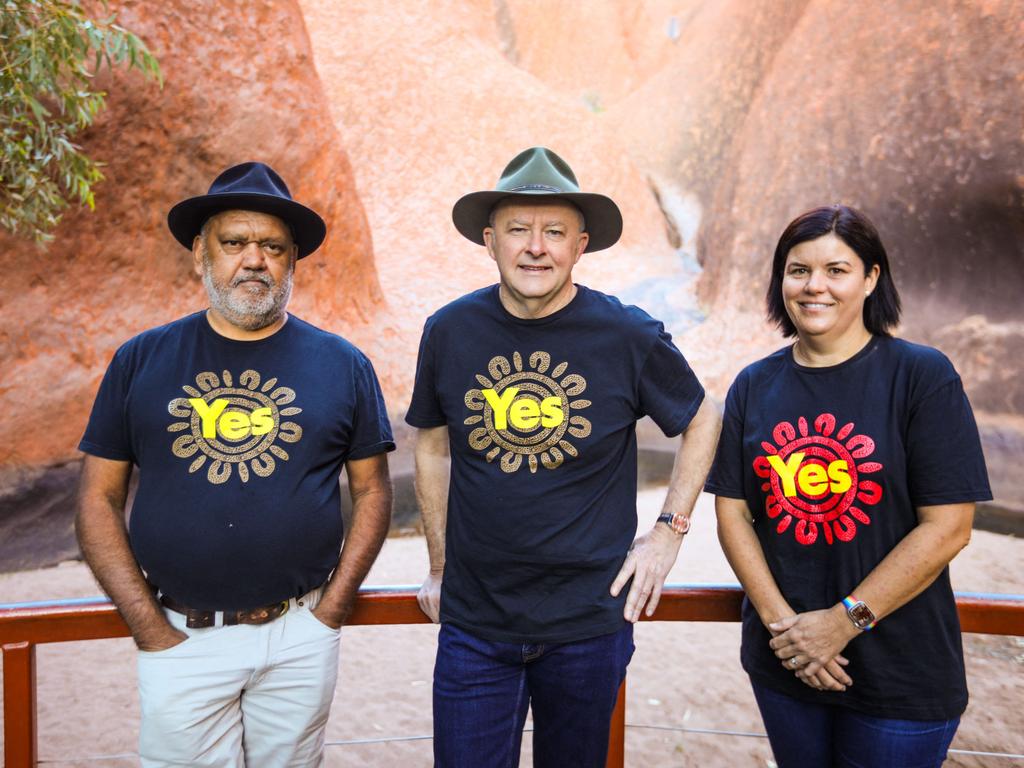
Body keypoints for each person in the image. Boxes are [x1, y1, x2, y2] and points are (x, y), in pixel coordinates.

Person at [406, 146, 720, 767]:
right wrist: (440, 566)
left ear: (581, 246)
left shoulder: (627, 335)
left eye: (554, 232)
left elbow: (703, 417)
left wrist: (668, 533)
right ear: (490, 241)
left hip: (588, 625)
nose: (535, 247)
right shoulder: (448, 331)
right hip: (475, 626)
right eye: (519, 230)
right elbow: (433, 447)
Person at [75, 162, 394, 767]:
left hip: (299, 634)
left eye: (272, 246)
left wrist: (330, 613)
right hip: (180, 638)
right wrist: (150, 627)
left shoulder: (343, 364)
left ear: (292, 259)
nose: (254, 260)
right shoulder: (140, 360)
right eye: (234, 243)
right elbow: (97, 498)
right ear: (200, 253)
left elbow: (373, 492)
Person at [706, 204, 992, 768]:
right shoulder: (753, 385)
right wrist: (787, 632)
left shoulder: (921, 376)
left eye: (836, 270)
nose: (815, 286)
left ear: (871, 279)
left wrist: (841, 624)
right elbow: (733, 513)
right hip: (786, 663)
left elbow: (949, 527)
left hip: (900, 670)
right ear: (780, 280)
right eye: (798, 270)